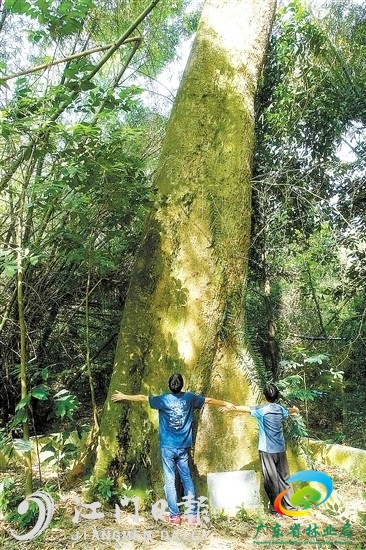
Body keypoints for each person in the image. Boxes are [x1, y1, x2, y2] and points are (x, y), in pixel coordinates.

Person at [112, 372, 234, 524]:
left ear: (170, 386)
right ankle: (192, 515)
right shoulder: (190, 398)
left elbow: (144, 398)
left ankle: (174, 516)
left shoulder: (163, 399)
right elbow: (208, 400)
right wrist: (225, 403)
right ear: (182, 385)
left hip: (168, 447)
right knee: (187, 479)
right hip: (183, 447)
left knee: (170, 481)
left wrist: (125, 396)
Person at [221, 382, 299, 516]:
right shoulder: (280, 409)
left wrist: (232, 408)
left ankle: (276, 510)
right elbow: (289, 411)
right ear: (277, 396)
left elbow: (245, 408)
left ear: (265, 396)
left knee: (271, 479)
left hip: (267, 450)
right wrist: (296, 410)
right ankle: (290, 508)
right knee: (285, 478)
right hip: (280, 449)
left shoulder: (261, 410)